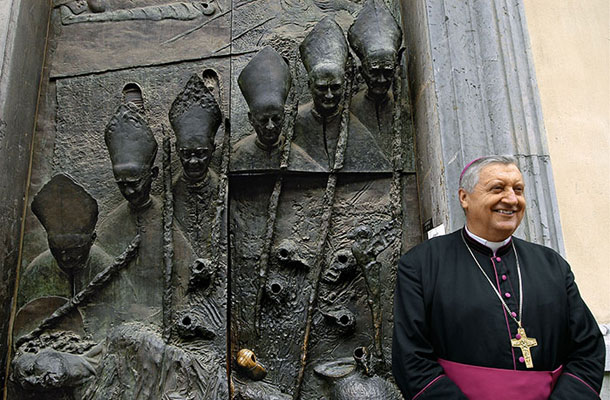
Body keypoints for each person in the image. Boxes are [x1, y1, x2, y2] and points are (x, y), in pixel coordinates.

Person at [392, 155, 605, 399]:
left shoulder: (552, 264)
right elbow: (411, 359)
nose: (512, 199)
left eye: (518, 189)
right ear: (464, 198)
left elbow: (588, 348)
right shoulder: (421, 264)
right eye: (497, 188)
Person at [291, 16, 390, 173]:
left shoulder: (356, 128)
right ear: (310, 86)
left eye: (335, 87)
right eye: (322, 88)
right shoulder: (295, 123)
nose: (330, 95)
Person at [348, 0, 403, 161]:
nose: (381, 80)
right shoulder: (350, 110)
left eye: (387, 72)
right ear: (361, 71)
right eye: (374, 72)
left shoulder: (404, 111)